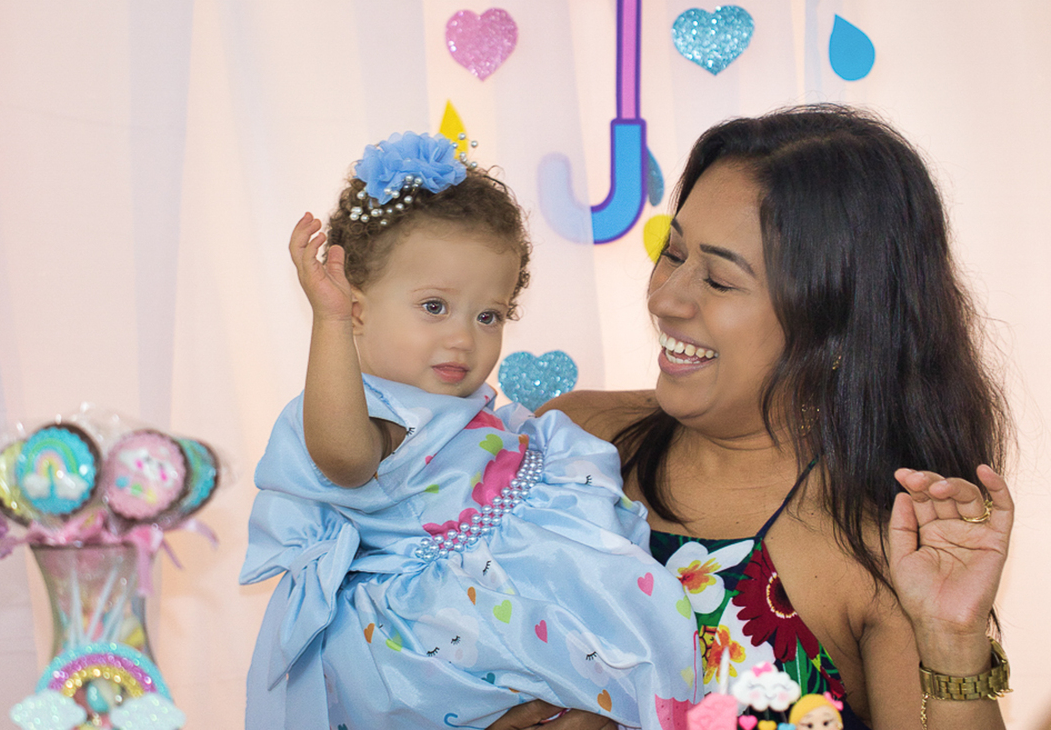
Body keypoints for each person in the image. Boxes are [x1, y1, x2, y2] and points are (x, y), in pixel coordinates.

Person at [490, 104, 1013, 730]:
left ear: (837, 325)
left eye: (719, 280)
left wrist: (953, 640)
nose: (665, 298)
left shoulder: (882, 549)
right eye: (673, 253)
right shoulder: (570, 439)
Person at [240, 131, 702, 729]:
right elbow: (345, 460)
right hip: (446, 628)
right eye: (434, 307)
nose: (463, 337)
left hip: (512, 590)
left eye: (488, 315)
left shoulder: (470, 410)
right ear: (356, 309)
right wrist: (326, 323)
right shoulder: (371, 410)